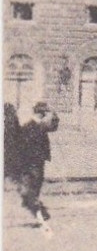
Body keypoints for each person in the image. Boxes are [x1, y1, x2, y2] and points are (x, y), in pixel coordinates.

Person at [14, 100, 60, 233]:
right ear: (41, 113)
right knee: (32, 191)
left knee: (32, 191)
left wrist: (53, 114)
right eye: (46, 113)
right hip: (32, 164)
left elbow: (55, 125)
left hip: (34, 164)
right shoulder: (33, 127)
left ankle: (38, 212)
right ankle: (40, 216)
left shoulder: (38, 125)